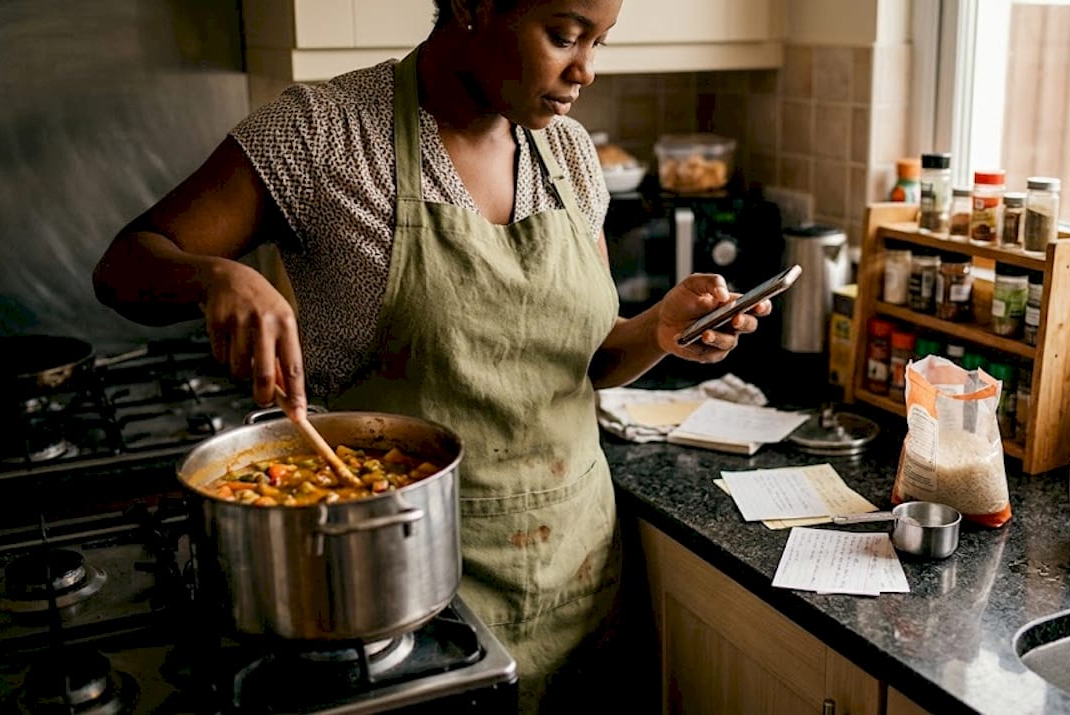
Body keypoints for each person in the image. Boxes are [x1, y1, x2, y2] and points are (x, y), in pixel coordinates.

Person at [93, 0, 773, 711]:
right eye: (566, 36)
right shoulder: (324, 135)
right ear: (477, 5)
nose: (586, 70)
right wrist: (215, 276)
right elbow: (124, 264)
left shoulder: (569, 155)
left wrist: (661, 328)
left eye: (599, 43)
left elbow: (587, 359)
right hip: (402, 605)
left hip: (577, 577)